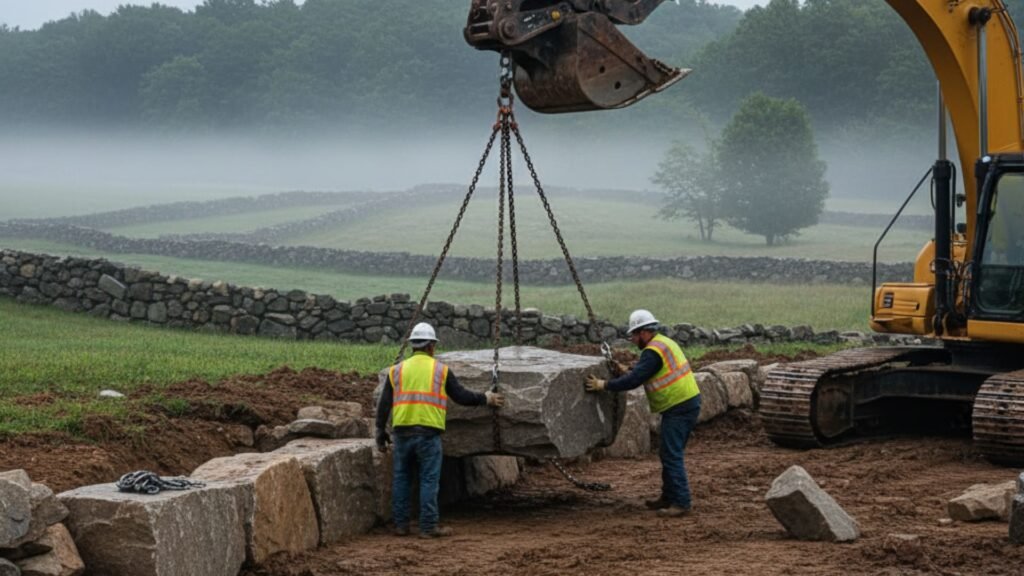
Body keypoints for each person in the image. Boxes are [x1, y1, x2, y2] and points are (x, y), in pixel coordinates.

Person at [375, 322, 506, 538]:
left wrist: (380, 432)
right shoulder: (441, 370)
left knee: (401, 479)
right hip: (428, 435)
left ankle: (401, 525)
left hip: (402, 435)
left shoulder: (396, 371)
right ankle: (428, 527)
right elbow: (461, 396)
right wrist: (486, 398)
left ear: (412, 346)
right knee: (428, 480)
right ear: (431, 346)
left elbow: (383, 405)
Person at [584, 309, 701, 518]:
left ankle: (681, 502)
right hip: (684, 403)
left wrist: (604, 384)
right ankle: (669, 497)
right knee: (669, 453)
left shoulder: (653, 351)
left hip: (679, 406)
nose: (632, 339)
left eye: (634, 335)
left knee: (671, 455)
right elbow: (644, 371)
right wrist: (627, 369)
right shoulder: (662, 343)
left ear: (644, 332)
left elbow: (634, 380)